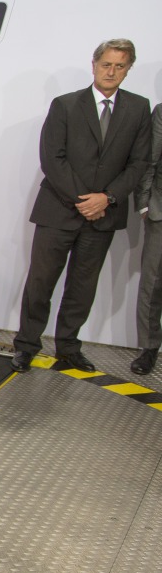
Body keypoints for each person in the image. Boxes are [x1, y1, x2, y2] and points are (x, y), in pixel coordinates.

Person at [10, 39, 151, 373]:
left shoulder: (138, 107)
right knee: (40, 283)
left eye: (120, 66)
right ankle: (26, 346)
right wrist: (83, 200)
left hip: (104, 214)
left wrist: (107, 198)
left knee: (82, 287)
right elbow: (52, 158)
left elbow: (139, 162)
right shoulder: (66, 105)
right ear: (94, 64)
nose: (112, 71)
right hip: (58, 211)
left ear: (128, 69)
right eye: (106, 64)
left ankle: (69, 348)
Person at [130, 104, 162, 375]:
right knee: (152, 285)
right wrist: (143, 203)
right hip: (161, 212)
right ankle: (149, 348)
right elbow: (149, 160)